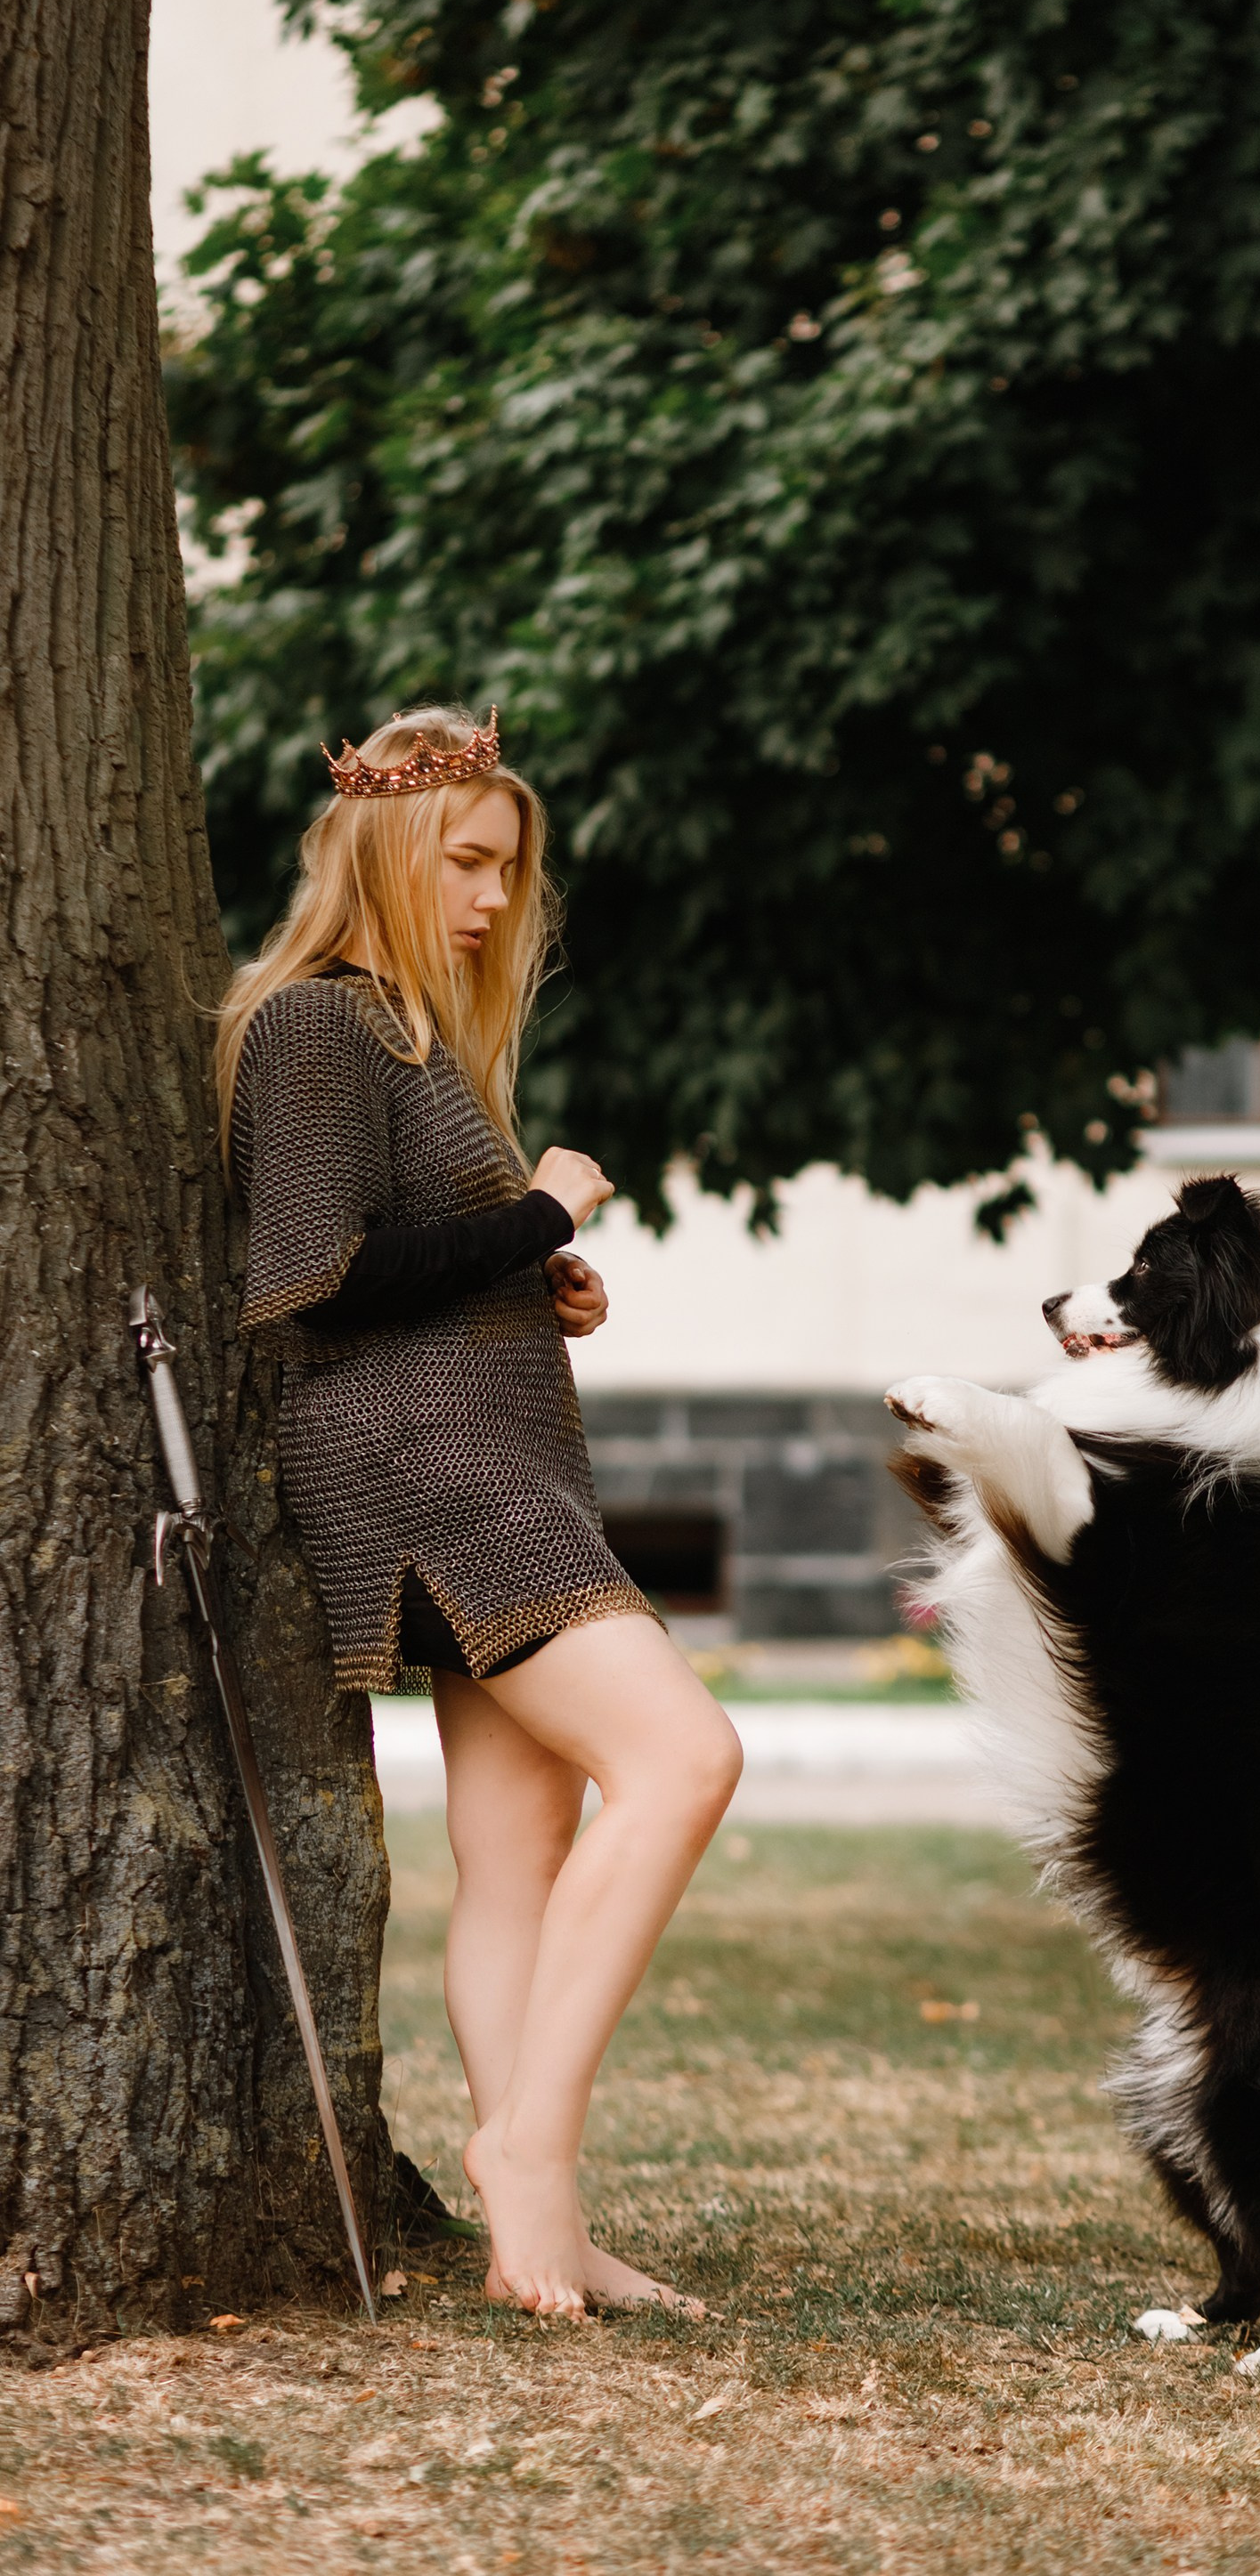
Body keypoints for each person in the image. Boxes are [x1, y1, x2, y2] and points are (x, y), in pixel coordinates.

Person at [215, 702, 743, 2321]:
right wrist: (541, 1205)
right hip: (425, 1471)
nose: (499, 898)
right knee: (685, 1758)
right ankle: (530, 2148)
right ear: (383, 849)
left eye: (511, 869)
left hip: (494, 1450)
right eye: (468, 863)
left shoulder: (413, 1033)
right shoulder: (322, 1026)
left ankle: (546, 2230)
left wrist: (538, 1269)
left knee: (520, 1853)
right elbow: (308, 1283)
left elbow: (412, 1261)